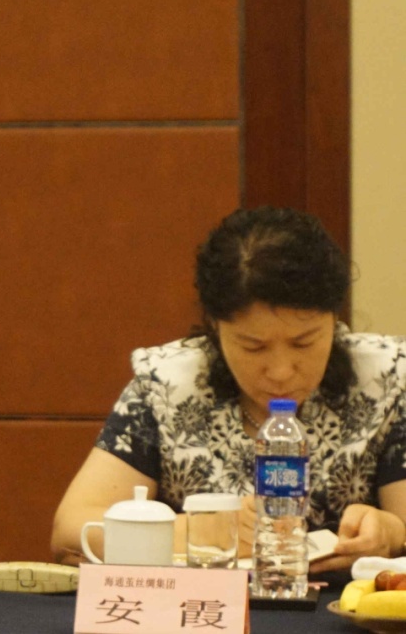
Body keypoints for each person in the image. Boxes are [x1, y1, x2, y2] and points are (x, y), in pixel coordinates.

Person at [51, 206, 406, 572]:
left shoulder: (387, 379)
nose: (281, 372)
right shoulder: (167, 385)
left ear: (335, 317)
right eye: (254, 347)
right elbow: (69, 531)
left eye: (304, 343)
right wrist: (200, 531)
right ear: (215, 328)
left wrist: (393, 534)